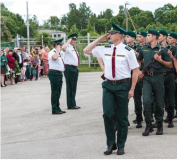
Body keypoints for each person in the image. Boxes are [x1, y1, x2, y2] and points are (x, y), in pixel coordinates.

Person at [83, 22, 139, 155]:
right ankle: (110, 144)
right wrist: (100, 39)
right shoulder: (105, 48)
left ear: (119, 36)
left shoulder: (128, 51)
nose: (109, 35)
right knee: (107, 115)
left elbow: (135, 71)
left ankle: (121, 145)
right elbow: (86, 50)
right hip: (108, 85)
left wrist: (132, 89)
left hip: (123, 86)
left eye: (112, 33)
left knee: (121, 117)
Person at [138, 29, 173, 136]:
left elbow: (170, 64)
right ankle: (149, 124)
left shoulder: (162, 50)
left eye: (148, 35)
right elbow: (139, 61)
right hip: (147, 78)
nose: (146, 37)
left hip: (158, 77)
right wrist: (139, 70)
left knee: (159, 103)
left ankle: (159, 124)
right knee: (147, 101)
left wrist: (160, 60)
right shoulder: (143, 49)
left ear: (154, 37)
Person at [132, 31, 147, 128]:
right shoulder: (135, 47)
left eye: (140, 36)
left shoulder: (148, 48)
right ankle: (138, 118)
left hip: (147, 75)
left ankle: (148, 116)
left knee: (147, 98)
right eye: (137, 36)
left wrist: (139, 56)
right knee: (137, 98)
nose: (138, 38)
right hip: (137, 74)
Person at [62, 33, 81, 110]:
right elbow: (63, 48)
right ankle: (70, 105)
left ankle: (73, 103)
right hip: (69, 68)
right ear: (70, 40)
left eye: (75, 40)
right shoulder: (67, 47)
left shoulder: (73, 48)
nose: (75, 41)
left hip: (75, 68)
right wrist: (67, 42)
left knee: (74, 87)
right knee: (70, 86)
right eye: (73, 40)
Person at [48, 38, 66, 115]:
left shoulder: (59, 52)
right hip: (54, 73)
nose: (61, 46)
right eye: (59, 44)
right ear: (56, 45)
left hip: (59, 73)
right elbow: (54, 58)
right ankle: (54, 109)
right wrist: (58, 50)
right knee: (55, 92)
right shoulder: (52, 52)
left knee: (58, 91)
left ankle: (57, 107)